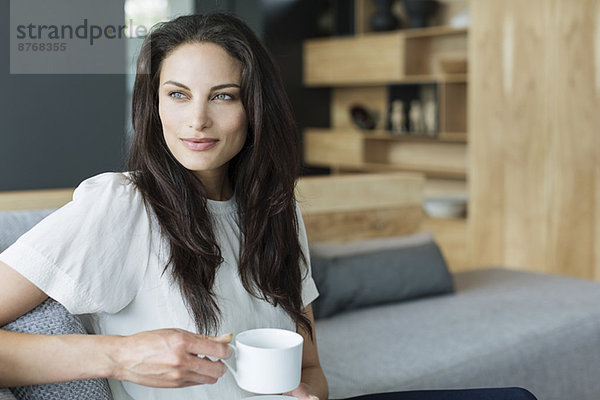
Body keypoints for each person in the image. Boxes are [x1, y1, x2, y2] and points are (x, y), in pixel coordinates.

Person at [0, 12, 537, 400]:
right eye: (178, 94)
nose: (197, 121)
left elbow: (310, 367)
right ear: (153, 104)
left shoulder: (277, 212)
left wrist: (310, 396)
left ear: (255, 108)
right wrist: (116, 357)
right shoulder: (120, 206)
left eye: (224, 95)